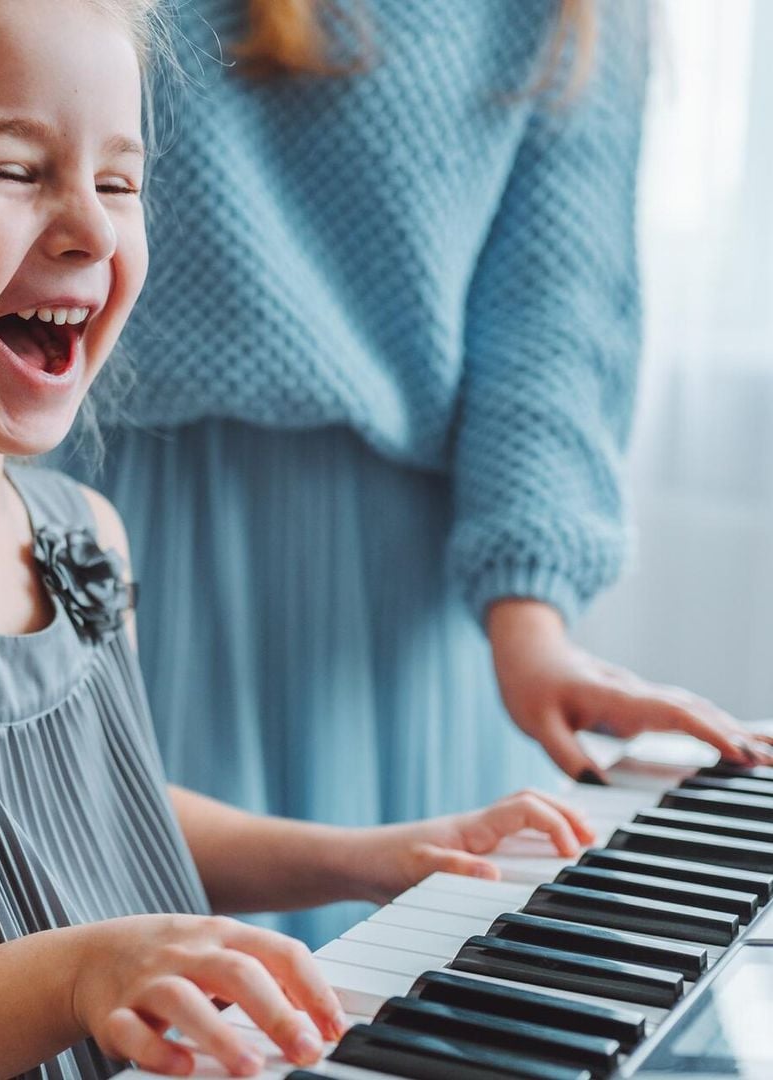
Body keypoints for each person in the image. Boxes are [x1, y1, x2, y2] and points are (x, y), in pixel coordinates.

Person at [0, 1, 594, 1077]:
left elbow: (107, 809)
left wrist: (371, 857)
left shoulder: (82, 539)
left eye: (121, 182)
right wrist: (77, 976)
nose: (91, 228)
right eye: (17, 170)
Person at [61, 0, 773, 948]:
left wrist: (531, 618)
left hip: (409, 598)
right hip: (119, 526)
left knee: (404, 977)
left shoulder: (577, 17)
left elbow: (555, 324)